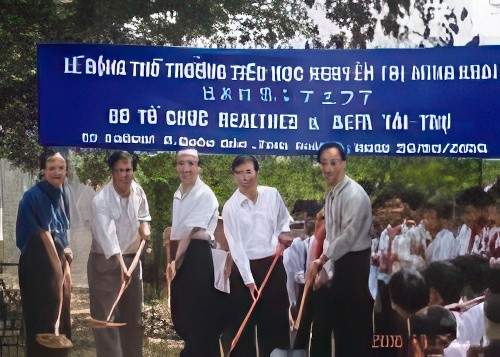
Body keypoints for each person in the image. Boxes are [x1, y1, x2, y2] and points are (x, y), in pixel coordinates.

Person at [307, 142, 374, 357]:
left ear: (344, 163)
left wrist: (322, 260)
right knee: (334, 324)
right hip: (337, 262)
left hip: (354, 263)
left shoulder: (355, 194)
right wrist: (324, 268)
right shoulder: (331, 194)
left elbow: (348, 236)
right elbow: (331, 234)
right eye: (324, 163)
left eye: (333, 163)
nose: (327, 168)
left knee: (354, 326)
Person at [222, 155, 292, 357]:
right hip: (244, 271)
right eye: (239, 173)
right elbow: (236, 246)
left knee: (276, 323)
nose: (244, 177)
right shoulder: (230, 207)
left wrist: (283, 234)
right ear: (234, 176)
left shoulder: (272, 194)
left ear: (256, 172)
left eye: (248, 171)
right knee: (243, 327)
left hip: (273, 265)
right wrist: (249, 281)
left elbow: (283, 222)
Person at [88, 151, 151, 357]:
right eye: (120, 171)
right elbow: (109, 239)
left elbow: (144, 217)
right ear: (112, 172)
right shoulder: (101, 200)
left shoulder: (138, 191)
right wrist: (122, 267)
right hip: (106, 263)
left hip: (132, 260)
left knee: (132, 319)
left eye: (128, 170)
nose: (125, 175)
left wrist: (145, 227)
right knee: (106, 319)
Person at [166, 148, 227, 357]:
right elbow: (177, 231)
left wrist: (176, 262)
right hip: (183, 254)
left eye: (191, 163)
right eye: (181, 163)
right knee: (182, 313)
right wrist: (173, 260)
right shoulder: (178, 192)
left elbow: (190, 233)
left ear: (198, 167)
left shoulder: (204, 193)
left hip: (198, 257)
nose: (186, 168)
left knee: (199, 316)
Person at [17, 149, 72, 356]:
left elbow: (63, 233)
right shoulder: (32, 196)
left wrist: (66, 261)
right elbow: (43, 235)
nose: (57, 172)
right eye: (52, 168)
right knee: (43, 321)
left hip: (57, 259)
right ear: (43, 170)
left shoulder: (63, 194)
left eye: (61, 168)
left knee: (62, 320)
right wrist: (59, 271)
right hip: (39, 262)